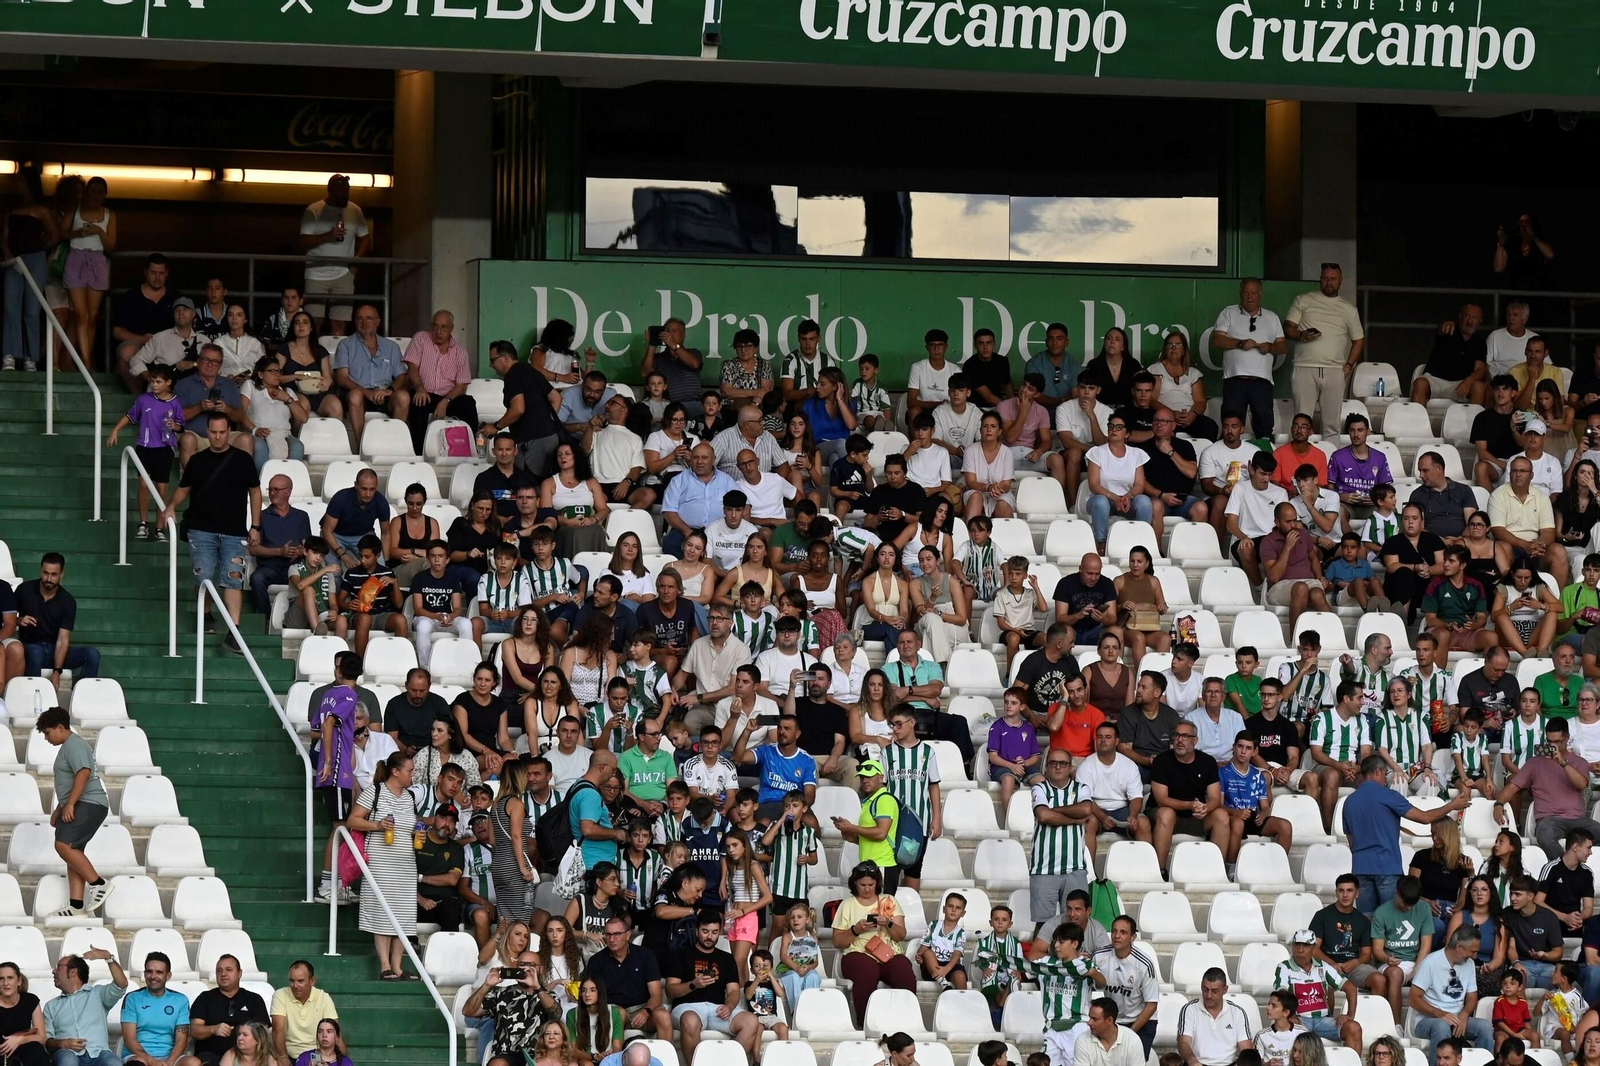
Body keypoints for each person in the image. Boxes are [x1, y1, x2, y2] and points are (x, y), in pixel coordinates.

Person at [1344, 752, 1470, 913]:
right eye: (1384, 774)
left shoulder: (1349, 801)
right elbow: (1425, 818)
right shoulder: (1389, 796)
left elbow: (1351, 841)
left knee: (1367, 918)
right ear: (1377, 772)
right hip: (1387, 867)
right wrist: (1451, 806)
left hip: (1360, 867)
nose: (1384, 779)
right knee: (1392, 919)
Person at [35, 707, 114, 917]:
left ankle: (98, 883)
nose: (46, 738)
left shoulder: (74, 744)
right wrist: (60, 808)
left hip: (88, 803)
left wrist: (69, 805)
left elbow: (83, 774)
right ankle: (76, 905)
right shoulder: (68, 746)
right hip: (82, 803)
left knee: (63, 845)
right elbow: (71, 781)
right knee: (74, 851)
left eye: (47, 732)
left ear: (60, 727)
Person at [350, 751, 420, 980]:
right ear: (395, 771)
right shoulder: (375, 791)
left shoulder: (410, 797)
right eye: (409, 771)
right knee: (382, 911)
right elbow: (353, 820)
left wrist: (419, 835)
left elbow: (409, 827)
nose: (413, 775)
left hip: (406, 862)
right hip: (380, 862)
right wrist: (378, 824)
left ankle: (398, 966)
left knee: (405, 914)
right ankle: (384, 965)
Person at [1287, 263, 1366, 436]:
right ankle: (1302, 462)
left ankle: (1331, 462)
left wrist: (1349, 365)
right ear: (1320, 279)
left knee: (1332, 426)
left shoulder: (1349, 309)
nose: (1328, 282)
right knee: (1301, 424)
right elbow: (1288, 328)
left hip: (1334, 370)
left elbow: (1359, 340)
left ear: (1341, 281)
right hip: (1304, 367)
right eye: (1325, 278)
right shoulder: (1304, 300)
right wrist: (1301, 335)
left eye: (1333, 279)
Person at [833, 861, 915, 1021]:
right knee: (867, 970)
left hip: (889, 954)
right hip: (857, 953)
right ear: (855, 883)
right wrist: (856, 930)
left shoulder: (889, 901)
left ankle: (906, 1019)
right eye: (862, 884)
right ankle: (865, 1021)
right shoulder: (847, 904)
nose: (867, 888)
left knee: (903, 968)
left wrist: (888, 923)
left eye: (871, 884)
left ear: (877, 883)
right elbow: (837, 941)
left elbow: (901, 935)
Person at [1212, 277, 1286, 438]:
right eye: (1246, 292)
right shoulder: (1228, 313)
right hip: (1235, 379)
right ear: (1240, 294)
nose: (1249, 296)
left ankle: (1265, 459)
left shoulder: (1271, 317)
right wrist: (1240, 343)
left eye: (1253, 293)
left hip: (1261, 381)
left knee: (1264, 426)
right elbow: (1217, 340)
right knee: (1230, 426)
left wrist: (1271, 347)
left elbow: (1282, 346)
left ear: (1260, 294)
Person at [1409, 926, 1493, 1064]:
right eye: (1472, 951)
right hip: (1428, 1020)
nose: (1474, 956)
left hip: (1457, 1019)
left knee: (1485, 1027)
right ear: (1459, 946)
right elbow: (1413, 998)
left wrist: (1465, 1014)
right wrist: (1440, 1013)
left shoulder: (1469, 964)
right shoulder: (1431, 962)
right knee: (1441, 1026)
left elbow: (1472, 997)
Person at [15, 553, 99, 687]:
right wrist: (19, 620)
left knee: (92, 654)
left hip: (55, 649)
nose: (48, 578)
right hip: (31, 646)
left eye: (54, 574)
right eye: (45, 573)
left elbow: (63, 639)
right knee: (36, 653)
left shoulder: (67, 601)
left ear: (62, 574)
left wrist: (57, 671)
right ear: (40, 570)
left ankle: (81, 698)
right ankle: (32, 699)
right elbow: (7, 618)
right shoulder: (24, 590)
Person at [463, 952, 562, 1065]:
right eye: (522, 964)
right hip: (505, 1055)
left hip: (538, 1056)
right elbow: (468, 1011)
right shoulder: (500, 993)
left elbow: (556, 1014)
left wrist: (537, 987)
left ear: (540, 969)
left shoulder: (549, 996)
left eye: (531, 965)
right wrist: (486, 985)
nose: (525, 968)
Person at [484, 340, 563, 479]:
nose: (491, 365)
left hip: (531, 441)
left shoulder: (512, 376)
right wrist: (546, 423)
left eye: (493, 360)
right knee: (545, 484)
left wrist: (496, 426)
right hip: (550, 437)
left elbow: (518, 409)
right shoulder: (531, 371)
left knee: (529, 485)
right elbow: (556, 397)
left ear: (506, 358)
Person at [1273, 930, 1363, 1051]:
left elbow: (1350, 987)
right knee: (1293, 1033)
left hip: (1324, 1020)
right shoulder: (1285, 967)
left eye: (1305, 945)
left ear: (1314, 949)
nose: (1300, 949)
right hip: (1299, 1020)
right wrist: (1291, 1015)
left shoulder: (1323, 966)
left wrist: (1350, 1015)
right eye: (1297, 944)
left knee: (1354, 1028)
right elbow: (1281, 994)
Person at [405, 309, 479, 453]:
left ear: (451, 329)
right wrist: (420, 388)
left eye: (444, 327)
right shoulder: (421, 338)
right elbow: (412, 368)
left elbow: (460, 385)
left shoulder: (460, 352)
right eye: (435, 326)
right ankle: (419, 452)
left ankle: (471, 449)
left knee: (468, 402)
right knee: (419, 400)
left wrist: (446, 401)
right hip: (424, 392)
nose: (439, 331)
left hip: (448, 397)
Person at [332, 304, 409, 444]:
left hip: (384, 393)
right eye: (360, 318)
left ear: (378, 321)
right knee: (355, 396)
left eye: (369, 318)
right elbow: (342, 378)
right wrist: (366, 392)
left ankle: (395, 443)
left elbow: (402, 376)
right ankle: (363, 445)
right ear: (355, 322)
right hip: (359, 393)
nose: (364, 322)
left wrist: (389, 391)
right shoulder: (346, 345)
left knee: (403, 397)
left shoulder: (391, 347)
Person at [44, 948, 128, 1066]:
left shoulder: (97, 994)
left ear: (73, 972)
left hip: (99, 1053)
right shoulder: (51, 1006)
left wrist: (109, 958)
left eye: (59, 967)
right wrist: (62, 1044)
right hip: (67, 1053)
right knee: (68, 1060)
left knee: (113, 1063)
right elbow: (46, 1041)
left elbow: (121, 984)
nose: (54, 971)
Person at [188, 954, 269, 1066]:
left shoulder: (254, 999)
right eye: (219, 971)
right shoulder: (205, 998)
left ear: (239, 973)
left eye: (229, 970)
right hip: (211, 1056)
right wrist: (213, 1029)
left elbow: (263, 1031)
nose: (223, 974)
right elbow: (194, 1030)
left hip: (247, 1058)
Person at [119, 952, 193, 1066]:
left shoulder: (181, 1000)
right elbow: (129, 1039)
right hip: (138, 1056)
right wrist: (152, 1062)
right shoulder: (132, 998)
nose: (153, 976)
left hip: (170, 1057)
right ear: (144, 974)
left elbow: (181, 1039)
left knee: (193, 1062)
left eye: (159, 972)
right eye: (149, 971)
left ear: (168, 976)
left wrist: (170, 1062)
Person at [1177, 968, 1253, 1066]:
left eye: (1214, 991)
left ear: (1225, 990)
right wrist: (1192, 1061)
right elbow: (1183, 1043)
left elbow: (1246, 1050)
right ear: (1201, 986)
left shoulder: (1237, 1012)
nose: (1209, 995)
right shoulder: (1189, 1009)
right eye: (1205, 989)